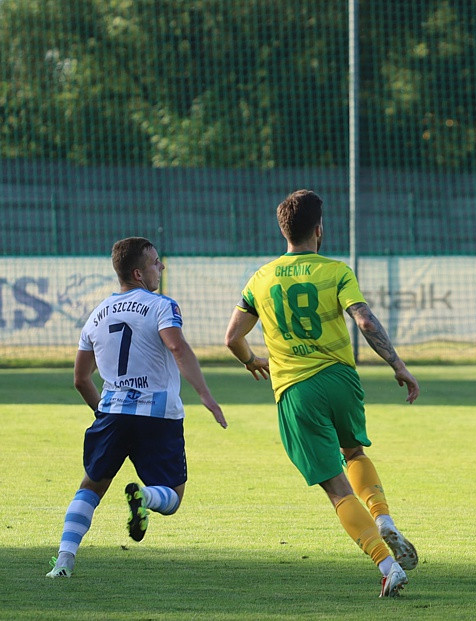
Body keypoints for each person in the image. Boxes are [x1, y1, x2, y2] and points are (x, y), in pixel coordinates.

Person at [224, 189, 420, 598]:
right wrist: (397, 365)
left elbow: (232, 338)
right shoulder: (336, 271)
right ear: (319, 230)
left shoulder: (261, 278)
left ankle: (387, 565)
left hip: (297, 390)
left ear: (284, 231)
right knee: (355, 454)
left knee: (336, 489)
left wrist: (250, 360)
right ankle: (383, 517)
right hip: (341, 380)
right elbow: (364, 321)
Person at [46, 237, 227, 578]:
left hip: (112, 413)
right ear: (138, 272)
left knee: (90, 487)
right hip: (157, 416)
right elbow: (176, 346)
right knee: (172, 496)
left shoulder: (96, 314)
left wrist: (105, 411)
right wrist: (204, 393)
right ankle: (144, 497)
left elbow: (81, 379)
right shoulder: (161, 306)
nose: (162, 267)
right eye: (156, 262)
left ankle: (63, 562)